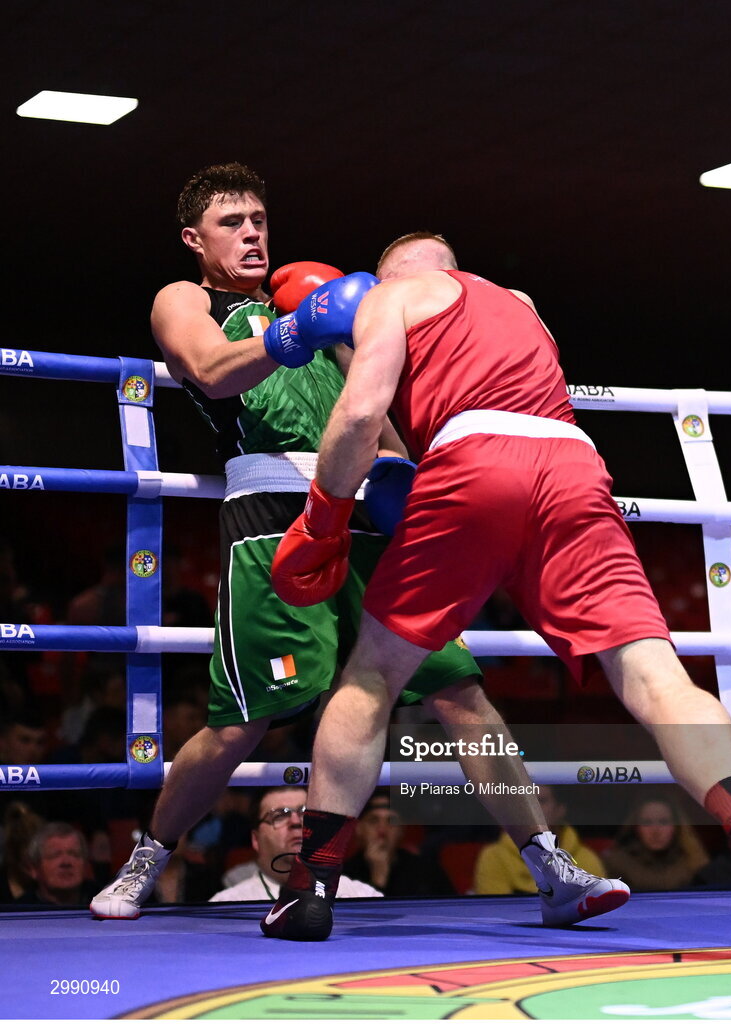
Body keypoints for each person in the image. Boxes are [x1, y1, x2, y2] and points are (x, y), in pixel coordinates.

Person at [264, 231, 731, 956]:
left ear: (391, 273)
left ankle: (311, 886)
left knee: (372, 675)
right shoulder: (521, 305)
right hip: (572, 463)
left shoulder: (392, 297)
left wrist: (324, 517)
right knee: (653, 673)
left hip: (475, 460)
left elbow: (360, 418)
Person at [90, 166, 627, 927]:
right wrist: (294, 332)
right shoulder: (187, 301)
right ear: (194, 238)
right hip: (273, 516)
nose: (252, 233)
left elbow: (372, 417)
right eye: (232, 222)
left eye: (259, 220)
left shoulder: (316, 304)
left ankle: (548, 864)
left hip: (365, 504)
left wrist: (414, 479)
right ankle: (150, 855)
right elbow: (209, 374)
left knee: (459, 692)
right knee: (244, 720)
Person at [210, 787, 380, 901]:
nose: (296, 821)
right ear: (256, 839)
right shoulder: (227, 904)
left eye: (305, 812)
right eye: (279, 815)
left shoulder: (360, 896)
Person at [474, 785, 605, 895]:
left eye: (541, 801)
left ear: (559, 810)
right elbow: (497, 913)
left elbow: (597, 912)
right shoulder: (493, 856)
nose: (531, 808)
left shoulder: (587, 859)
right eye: (525, 800)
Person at [343, 790, 455, 898]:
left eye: (391, 820)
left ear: (401, 829)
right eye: (373, 820)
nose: (382, 830)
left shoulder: (426, 871)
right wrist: (378, 880)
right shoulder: (343, 875)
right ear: (359, 829)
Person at [601, 796, 709, 892]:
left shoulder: (695, 862)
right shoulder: (616, 864)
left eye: (663, 822)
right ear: (636, 827)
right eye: (647, 822)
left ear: (677, 827)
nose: (655, 831)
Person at [15, 823, 98, 907]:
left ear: (85, 864)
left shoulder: (106, 902)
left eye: (74, 854)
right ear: (34, 869)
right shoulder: (18, 911)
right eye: (55, 855)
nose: (66, 862)